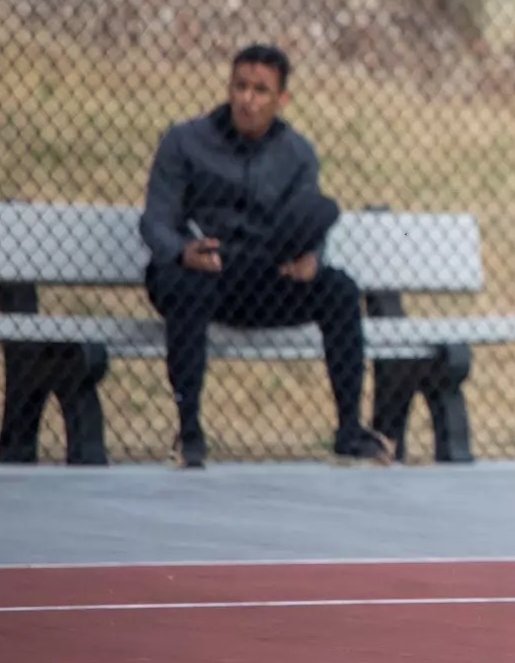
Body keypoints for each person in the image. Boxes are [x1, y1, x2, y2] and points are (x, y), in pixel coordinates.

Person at [139, 44, 393, 469]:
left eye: (260, 91)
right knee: (185, 289)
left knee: (340, 288)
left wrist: (310, 258)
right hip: (202, 271)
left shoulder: (298, 153)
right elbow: (155, 220)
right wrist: (183, 252)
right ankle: (189, 433)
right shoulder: (184, 141)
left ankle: (349, 430)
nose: (248, 99)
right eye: (240, 87)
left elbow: (307, 220)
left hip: (264, 279)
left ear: (281, 99)